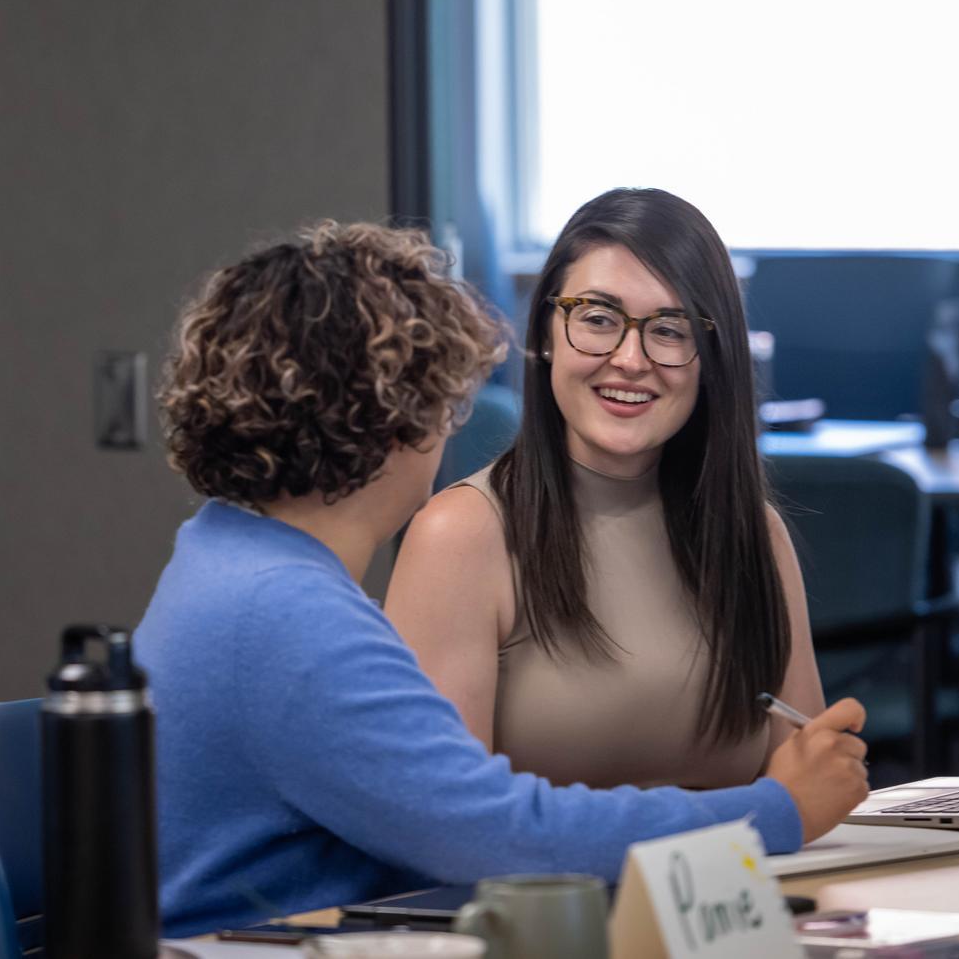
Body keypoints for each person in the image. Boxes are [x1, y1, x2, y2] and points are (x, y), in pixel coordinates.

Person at [133, 220, 867, 937]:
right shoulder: (285, 610)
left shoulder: (225, 562)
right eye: (442, 402)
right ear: (400, 422)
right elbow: (492, 834)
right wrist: (772, 811)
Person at [385, 187, 833, 794]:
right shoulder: (461, 535)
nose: (629, 358)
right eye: (598, 320)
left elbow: (805, 795)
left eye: (670, 330)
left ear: (711, 356)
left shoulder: (755, 534)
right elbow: (443, 823)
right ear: (544, 333)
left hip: (734, 888)